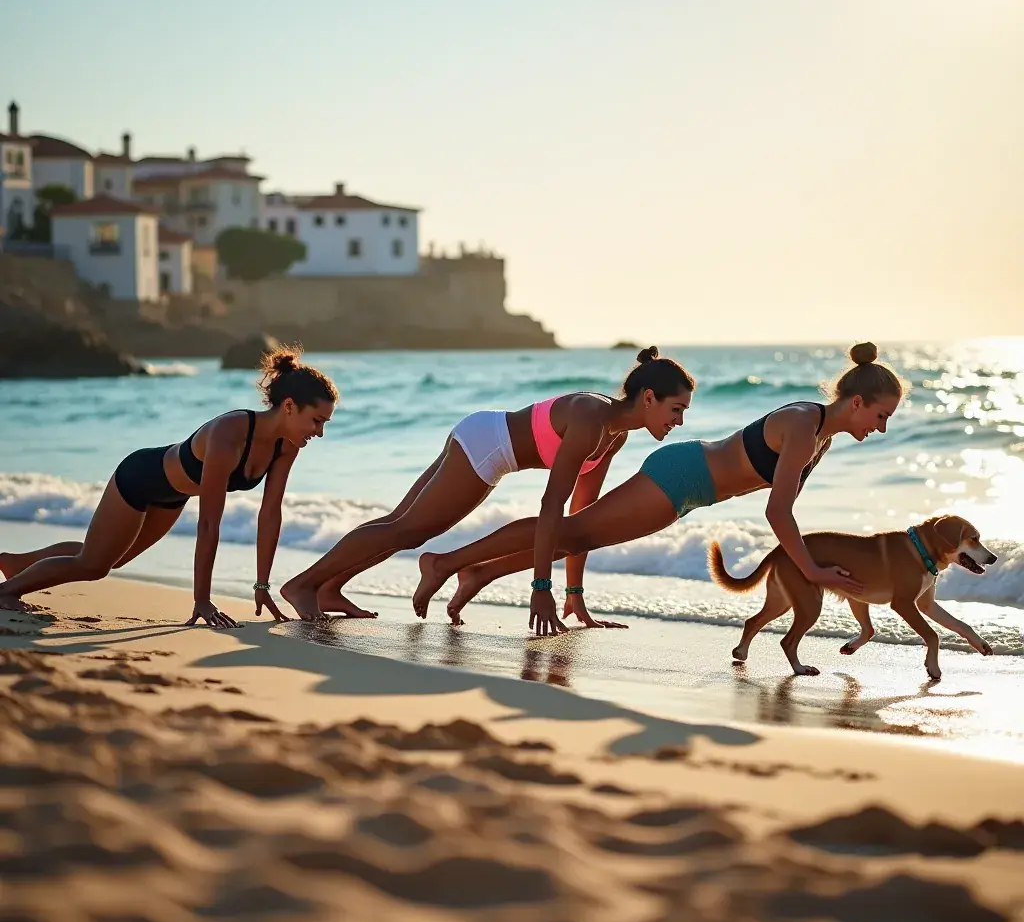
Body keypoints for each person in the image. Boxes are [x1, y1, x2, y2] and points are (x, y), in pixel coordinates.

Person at [414, 343, 905, 635]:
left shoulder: (819, 440)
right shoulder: (803, 424)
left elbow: (779, 506)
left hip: (691, 488)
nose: (880, 428)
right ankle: (449, 565)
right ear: (857, 402)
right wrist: (814, 569)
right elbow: (778, 514)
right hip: (683, 475)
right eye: (881, 416)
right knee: (573, 530)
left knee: (577, 534)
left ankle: (475, 574)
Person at [281, 347, 695, 622]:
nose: (678, 422)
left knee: (401, 524)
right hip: (488, 445)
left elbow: (577, 521)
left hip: (485, 436)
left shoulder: (614, 436)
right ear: (647, 397)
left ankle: (330, 587)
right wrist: (539, 588)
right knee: (409, 530)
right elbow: (550, 506)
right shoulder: (591, 418)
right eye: (675, 409)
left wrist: (574, 593)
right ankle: (305, 584)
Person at [0, 348, 337, 626]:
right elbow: (208, 524)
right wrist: (202, 600)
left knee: (112, 557)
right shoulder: (229, 434)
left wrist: (262, 585)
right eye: (316, 421)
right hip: (140, 477)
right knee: (94, 565)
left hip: (172, 496)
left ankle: (16, 564)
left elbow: (269, 515)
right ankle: (8, 590)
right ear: (290, 406)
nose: (319, 433)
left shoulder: (286, 445)